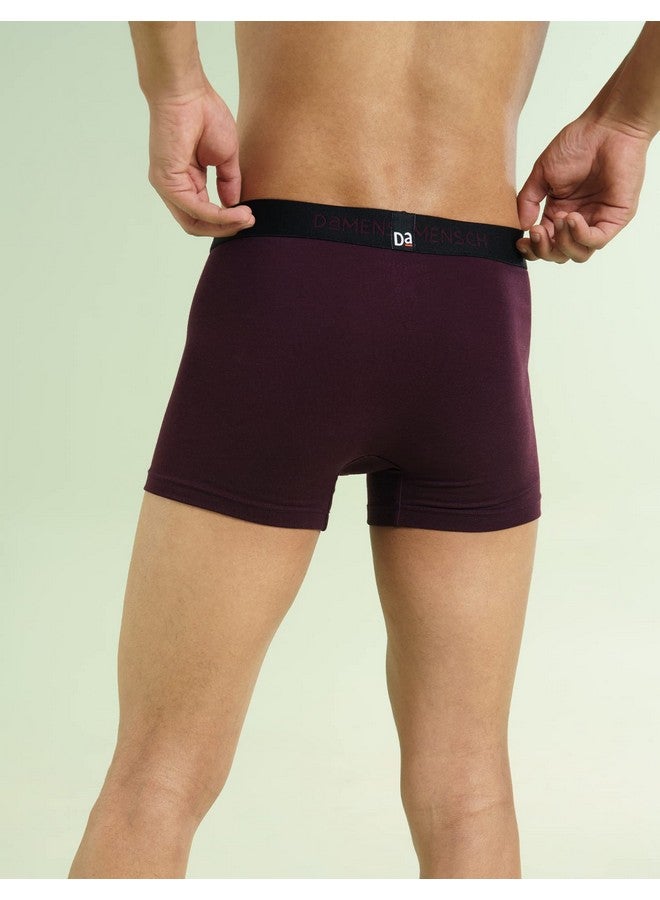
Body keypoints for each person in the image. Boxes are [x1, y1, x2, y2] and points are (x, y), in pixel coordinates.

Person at [68, 21, 660, 879]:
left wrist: (175, 85)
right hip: (471, 295)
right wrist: (628, 119)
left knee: (155, 780)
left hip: (292, 276)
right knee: (470, 792)